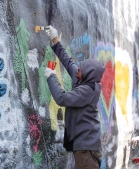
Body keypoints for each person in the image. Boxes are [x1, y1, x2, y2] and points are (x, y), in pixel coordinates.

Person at [44, 26, 105, 169]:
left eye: (80, 69)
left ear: (87, 73)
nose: (77, 69)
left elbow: (62, 98)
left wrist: (52, 77)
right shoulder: (83, 79)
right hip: (86, 144)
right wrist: (55, 40)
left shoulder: (87, 90)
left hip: (86, 148)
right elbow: (68, 62)